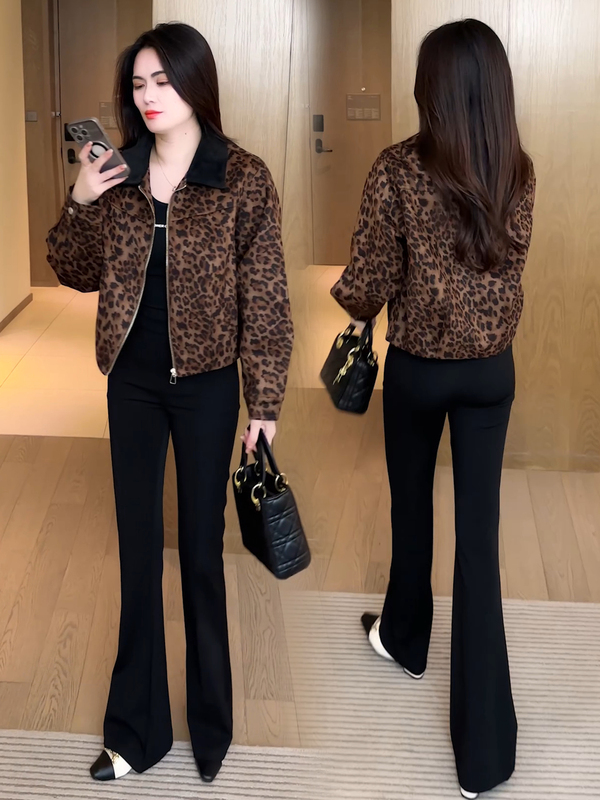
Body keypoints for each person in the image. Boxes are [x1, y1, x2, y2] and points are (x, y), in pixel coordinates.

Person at [47, 22, 293, 785]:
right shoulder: (118, 172)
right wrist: (81, 199)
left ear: (195, 83)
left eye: (162, 81)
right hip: (133, 382)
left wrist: (264, 402)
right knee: (137, 550)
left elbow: (267, 297)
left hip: (209, 385)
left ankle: (211, 724)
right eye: (138, 84)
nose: (149, 96)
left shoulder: (240, 177)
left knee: (200, 552)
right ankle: (136, 731)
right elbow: (74, 270)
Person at [330, 19, 535, 800]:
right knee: (479, 545)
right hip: (491, 375)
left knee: (410, 507)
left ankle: (405, 639)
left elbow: (369, 277)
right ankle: (484, 759)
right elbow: (506, 269)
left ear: (433, 88)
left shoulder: (396, 168)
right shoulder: (517, 170)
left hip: (418, 370)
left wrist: (355, 308)